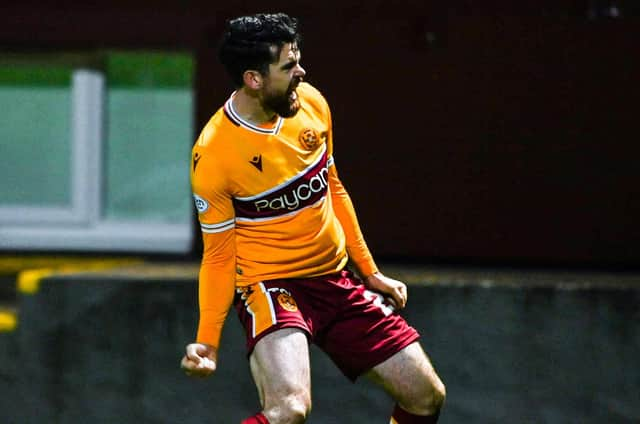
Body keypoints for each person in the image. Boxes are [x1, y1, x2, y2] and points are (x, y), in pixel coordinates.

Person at [180, 12, 446, 424]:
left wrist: (370, 272)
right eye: (288, 66)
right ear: (253, 78)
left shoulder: (312, 104)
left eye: (298, 59)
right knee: (289, 410)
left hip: (334, 279)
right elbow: (218, 255)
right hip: (270, 286)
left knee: (425, 396)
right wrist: (207, 342)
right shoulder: (214, 155)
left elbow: (333, 188)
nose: (301, 72)